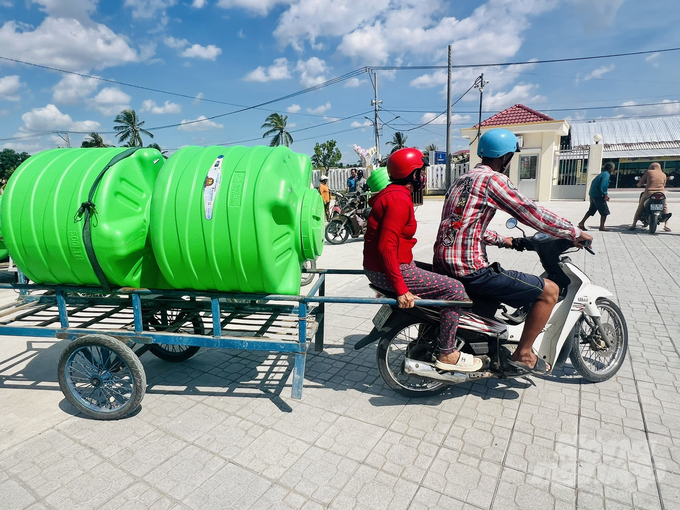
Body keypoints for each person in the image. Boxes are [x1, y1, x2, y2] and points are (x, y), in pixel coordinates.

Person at [433, 128, 592, 375]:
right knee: (550, 291)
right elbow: (530, 212)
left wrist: (504, 240)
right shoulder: (493, 180)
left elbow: (462, 223)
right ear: (505, 156)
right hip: (469, 269)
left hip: (444, 263)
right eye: (511, 157)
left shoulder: (462, 180)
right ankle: (524, 353)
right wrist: (574, 232)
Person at [364, 148, 482, 373]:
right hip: (391, 269)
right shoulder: (399, 199)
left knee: (445, 275)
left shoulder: (393, 193)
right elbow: (386, 246)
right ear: (413, 175)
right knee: (455, 289)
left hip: (383, 268)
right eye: (421, 173)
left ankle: (430, 331)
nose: (424, 178)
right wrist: (400, 288)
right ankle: (447, 352)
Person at [629, 162, 672, 232]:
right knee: (665, 206)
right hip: (661, 193)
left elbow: (641, 182)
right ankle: (666, 225)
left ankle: (634, 224)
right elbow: (664, 185)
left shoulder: (649, 172)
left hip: (649, 193)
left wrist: (638, 184)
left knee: (640, 207)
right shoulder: (663, 174)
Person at [578, 162, 614, 232]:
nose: (613, 169)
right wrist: (605, 194)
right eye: (613, 168)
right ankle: (602, 227)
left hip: (593, 194)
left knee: (591, 210)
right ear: (610, 168)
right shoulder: (606, 175)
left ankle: (581, 223)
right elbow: (602, 186)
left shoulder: (601, 174)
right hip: (598, 195)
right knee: (604, 212)